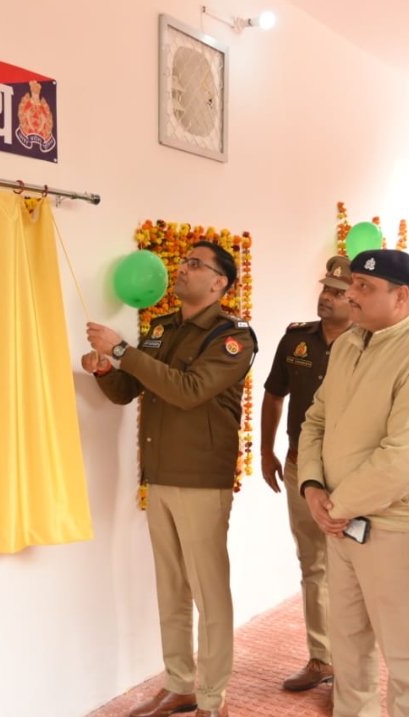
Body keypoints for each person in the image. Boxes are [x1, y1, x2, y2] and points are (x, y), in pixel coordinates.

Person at [83, 241, 255, 717]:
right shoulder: (161, 329)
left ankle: (213, 699)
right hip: (159, 475)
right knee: (171, 587)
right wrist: (106, 368)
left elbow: (188, 390)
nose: (183, 269)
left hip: (201, 479)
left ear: (219, 282)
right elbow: (128, 390)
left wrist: (121, 348)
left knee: (208, 592)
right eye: (184, 261)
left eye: (196, 264)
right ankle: (179, 684)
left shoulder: (232, 337)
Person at [297, 249, 409, 717]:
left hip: (400, 527)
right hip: (343, 523)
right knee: (349, 649)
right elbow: (315, 419)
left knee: (408, 657)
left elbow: (404, 458)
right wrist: (312, 486)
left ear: (401, 296)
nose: (350, 294)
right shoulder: (349, 343)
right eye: (353, 284)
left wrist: (336, 507)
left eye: (364, 287)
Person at [260, 255, 354, 692]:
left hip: (349, 474)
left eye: (338, 292)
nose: (326, 297)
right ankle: (321, 659)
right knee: (312, 564)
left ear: (356, 297)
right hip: (300, 466)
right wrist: (267, 450)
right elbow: (274, 394)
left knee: (353, 569)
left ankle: (352, 670)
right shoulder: (296, 339)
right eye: (325, 288)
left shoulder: (371, 345)